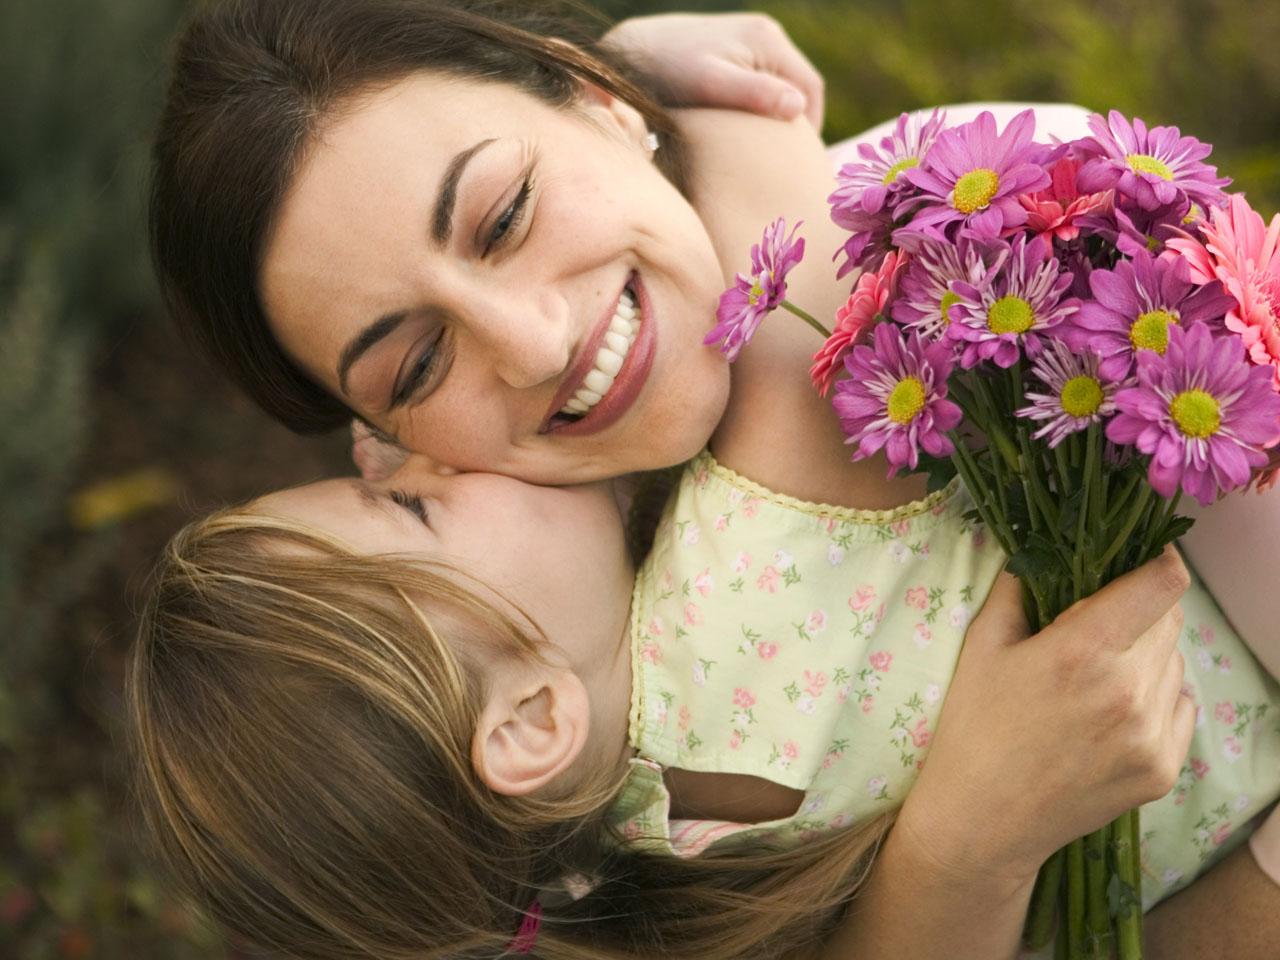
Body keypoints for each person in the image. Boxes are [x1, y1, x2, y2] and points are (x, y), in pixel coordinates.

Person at [140, 0, 1280, 955]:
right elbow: (794, 301)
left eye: (504, 215)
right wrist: (668, 87)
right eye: (418, 363)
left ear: (585, 104)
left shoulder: (999, 225)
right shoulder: (706, 601)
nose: (534, 345)